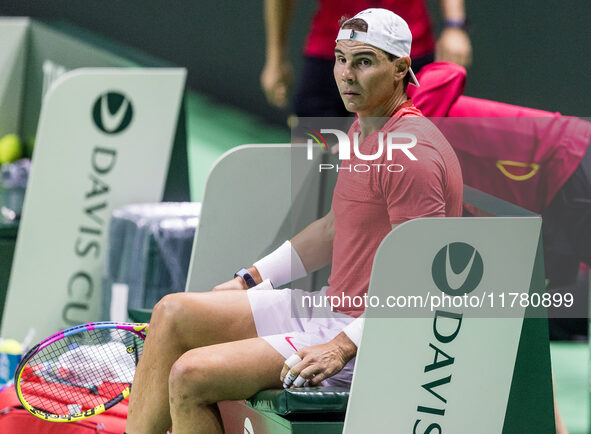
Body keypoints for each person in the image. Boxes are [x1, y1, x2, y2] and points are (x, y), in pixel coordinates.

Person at [126, 9, 463, 433]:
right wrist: (248, 279)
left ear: (400, 69)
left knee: (190, 375)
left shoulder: (411, 156)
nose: (346, 74)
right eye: (341, 59)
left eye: (364, 61)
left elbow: (421, 285)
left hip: (372, 339)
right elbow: (331, 228)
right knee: (171, 312)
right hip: (329, 306)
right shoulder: (365, 128)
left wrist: (340, 348)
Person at [261, 0, 472, 115]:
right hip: (330, 51)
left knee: (402, 167)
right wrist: (275, 57)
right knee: (312, 166)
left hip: (403, 54)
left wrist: (455, 26)